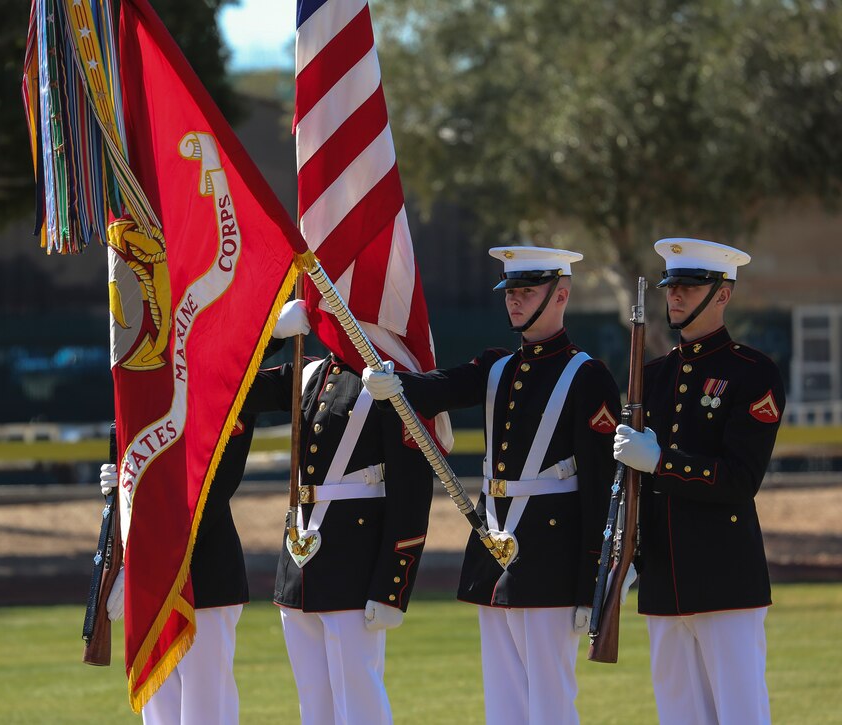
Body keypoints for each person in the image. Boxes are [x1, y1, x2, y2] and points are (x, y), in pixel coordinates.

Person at [363, 246, 620, 724]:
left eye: (527, 291)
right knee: (502, 699)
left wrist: (592, 587)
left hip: (552, 556)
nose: (514, 301)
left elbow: (599, 491)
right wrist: (395, 383)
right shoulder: (497, 367)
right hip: (494, 545)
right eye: (510, 292)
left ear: (561, 295)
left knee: (549, 699)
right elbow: (441, 386)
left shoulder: (587, 376)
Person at [613, 238, 784, 725]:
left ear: (723, 293)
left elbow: (739, 479)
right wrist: (627, 553)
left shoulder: (753, 374)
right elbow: (633, 486)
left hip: (725, 578)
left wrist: (662, 461)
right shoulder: (651, 376)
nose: (676, 296)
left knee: (740, 712)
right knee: (678, 713)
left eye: (690, 286)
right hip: (664, 579)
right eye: (672, 286)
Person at [241, 299, 434, 725]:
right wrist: (271, 337)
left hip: (356, 565)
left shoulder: (388, 381)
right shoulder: (310, 372)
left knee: (359, 699)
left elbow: (411, 491)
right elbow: (232, 385)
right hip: (300, 560)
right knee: (313, 702)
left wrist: (393, 585)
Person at [99, 339, 284, 724]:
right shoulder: (140, 396)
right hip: (148, 579)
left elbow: (209, 492)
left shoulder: (227, 390)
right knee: (160, 713)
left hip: (205, 575)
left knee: (206, 710)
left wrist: (269, 338)